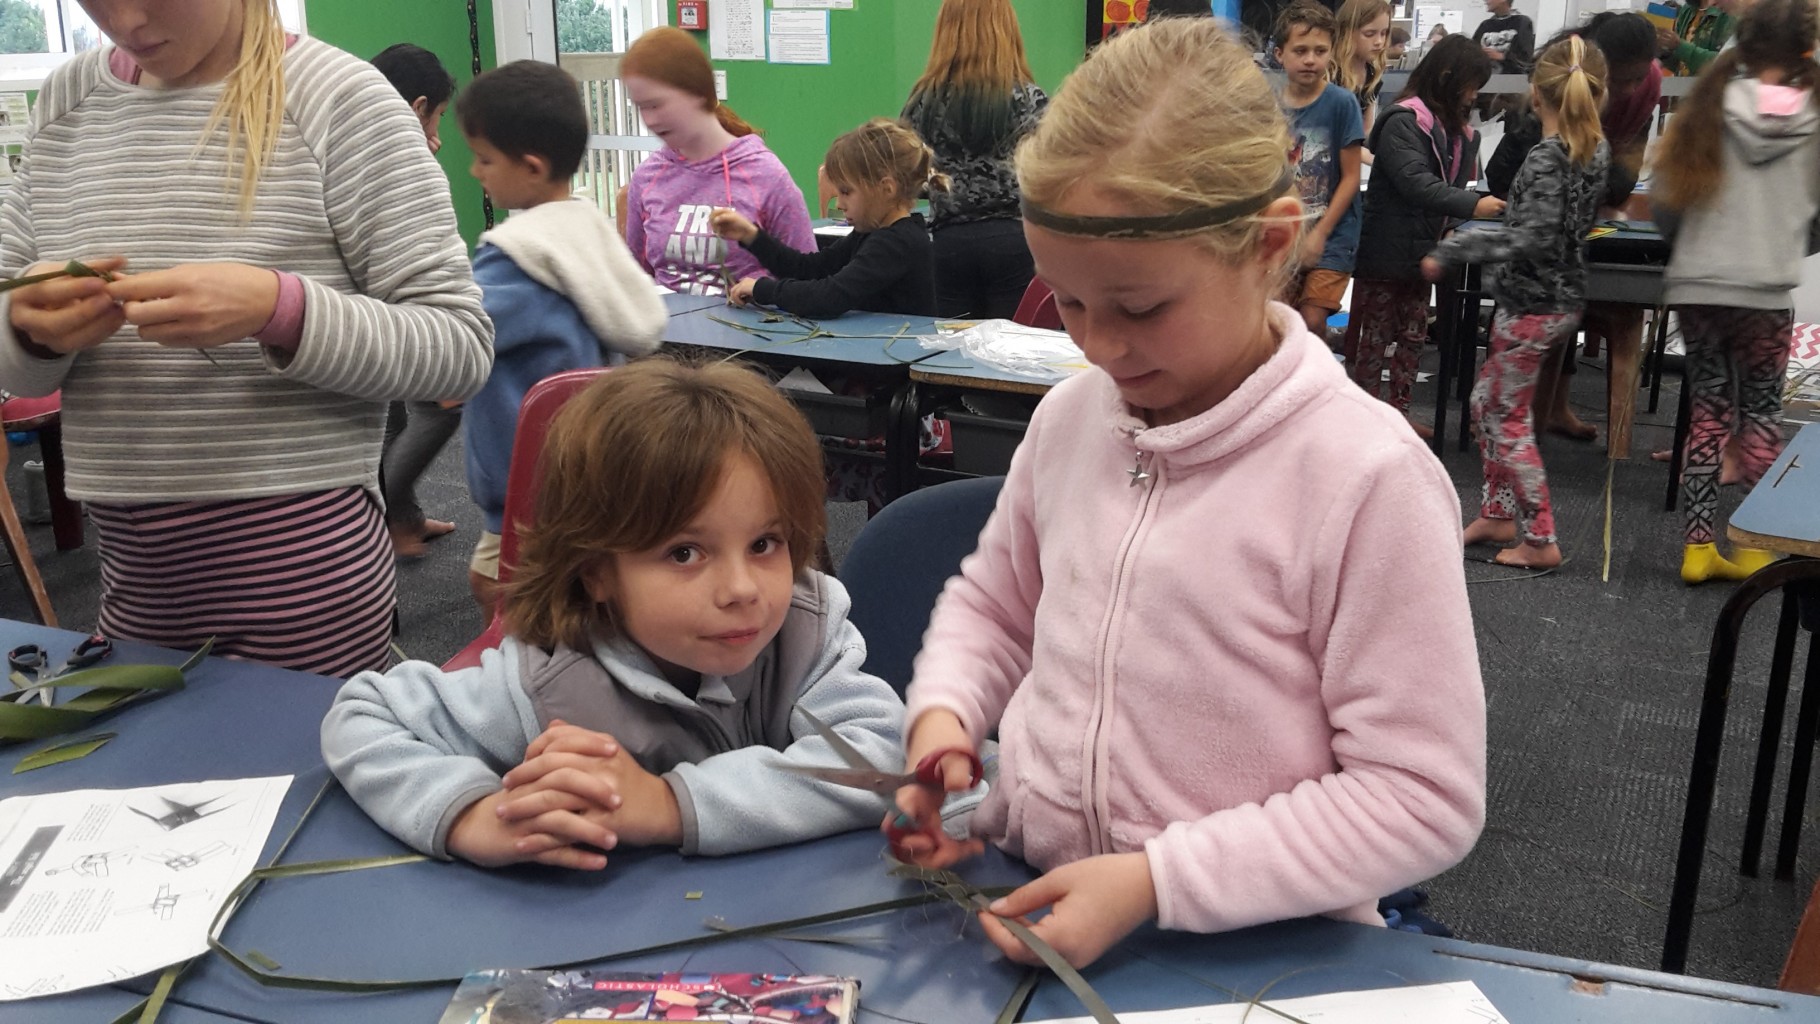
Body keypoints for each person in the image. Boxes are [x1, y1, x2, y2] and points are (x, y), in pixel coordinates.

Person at [884, 18, 1485, 971]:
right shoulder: (1072, 419)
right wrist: (944, 719)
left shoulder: (1368, 479)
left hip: (1259, 956)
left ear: (1268, 242)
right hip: (1034, 901)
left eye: (1141, 307)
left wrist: (1156, 881)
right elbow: (996, 609)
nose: (1097, 344)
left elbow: (1420, 797)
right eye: (1068, 301)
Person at [0, 0, 493, 677]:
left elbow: (459, 346)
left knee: (298, 744)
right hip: (132, 574)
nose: (127, 20)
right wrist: (30, 331)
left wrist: (278, 309)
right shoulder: (67, 104)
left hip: (305, 580)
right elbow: (15, 359)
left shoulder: (339, 99)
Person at [322, 360, 907, 867]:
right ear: (596, 570)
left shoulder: (805, 630)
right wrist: (471, 814)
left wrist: (669, 804)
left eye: (764, 543)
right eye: (685, 553)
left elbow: (884, 753)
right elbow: (364, 715)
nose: (741, 589)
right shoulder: (550, 687)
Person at [457, 61, 667, 620]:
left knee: (500, 591)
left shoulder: (516, 259)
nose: (475, 170)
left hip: (526, 481)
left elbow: (455, 335)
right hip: (588, 462)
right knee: (573, 591)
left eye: (484, 158)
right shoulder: (587, 230)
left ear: (531, 167)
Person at [1423, 38, 1611, 570]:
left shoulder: (1550, 155)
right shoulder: (1593, 148)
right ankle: (1498, 514)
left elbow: (1532, 237)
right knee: (1487, 404)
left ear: (1536, 90)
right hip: (1551, 300)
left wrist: (1455, 249)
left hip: (1533, 304)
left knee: (1505, 417)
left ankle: (1540, 538)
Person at [1652, 0, 1819, 584]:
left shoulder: (1709, 104)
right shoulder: (1814, 114)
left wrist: (1696, 248)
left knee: (1709, 413)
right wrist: (1782, 243)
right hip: (1766, 290)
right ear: (1805, 49)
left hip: (1700, 285)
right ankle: (1754, 549)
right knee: (1763, 416)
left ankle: (1697, 550)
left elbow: (1667, 204)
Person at [1488, 12, 1661, 445]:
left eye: (1638, 79)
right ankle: (1518, 423)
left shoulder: (1642, 93)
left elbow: (1624, 173)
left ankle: (1536, 418)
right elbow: (1505, 176)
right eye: (1622, 80)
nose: (1631, 90)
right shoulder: (1556, 87)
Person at [1348, 35, 1505, 434]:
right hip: (1386, 252)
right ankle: (1363, 419)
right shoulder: (1403, 120)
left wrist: (1452, 226)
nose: (1473, 95)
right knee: (1375, 339)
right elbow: (1416, 183)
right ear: (1448, 77)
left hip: (1423, 253)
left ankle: (1398, 414)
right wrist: (1473, 207)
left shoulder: (1459, 132)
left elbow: (1451, 184)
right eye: (1471, 86)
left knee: (1413, 337)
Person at [621, 27, 815, 297]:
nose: (650, 120)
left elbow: (806, 276)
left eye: (657, 105)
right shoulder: (647, 176)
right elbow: (636, 275)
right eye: (641, 107)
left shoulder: (766, 175)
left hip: (747, 322)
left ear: (698, 92)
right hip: (667, 322)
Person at [901, 0, 1049, 320]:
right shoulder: (1029, 98)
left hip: (948, 241)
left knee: (950, 344)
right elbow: (1049, 172)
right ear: (1007, 32)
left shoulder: (923, 101)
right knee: (1012, 344)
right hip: (1014, 240)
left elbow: (909, 175)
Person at [372, 42, 463, 558]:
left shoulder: (353, 141)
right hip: (395, 310)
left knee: (392, 417)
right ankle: (383, 521)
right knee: (439, 409)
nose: (439, 133)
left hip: (373, 310)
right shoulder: (400, 161)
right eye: (439, 116)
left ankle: (400, 517)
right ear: (418, 107)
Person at [712, 119, 944, 319]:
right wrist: (751, 236)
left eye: (846, 192)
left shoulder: (898, 243)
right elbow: (809, 268)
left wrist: (764, 290)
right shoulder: (869, 234)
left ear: (886, 189)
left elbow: (829, 297)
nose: (839, 204)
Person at [1274, 2, 1365, 336]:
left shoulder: (1342, 103)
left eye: (1320, 51)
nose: (1310, 59)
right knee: (1279, 322)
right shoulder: (1269, 104)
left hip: (1332, 234)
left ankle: (1318, 368)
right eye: (1300, 51)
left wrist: (1320, 234)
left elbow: (1351, 177)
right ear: (1280, 54)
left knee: (1312, 320)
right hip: (1284, 232)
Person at [1332, 0, 1392, 143]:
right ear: (1347, 32)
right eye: (1369, 34)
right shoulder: (1331, 74)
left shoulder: (1372, 74)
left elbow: (1366, 131)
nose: (1379, 41)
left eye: (1384, 33)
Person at [1660, 0, 1737, 77]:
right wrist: (1664, 51)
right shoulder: (1687, 10)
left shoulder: (1728, 12)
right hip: (1682, 82)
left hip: (1708, 83)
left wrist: (1680, 46)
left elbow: (1727, 62)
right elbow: (1679, 64)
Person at [1472, 0, 1534, 75]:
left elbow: (1525, 57)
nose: (1486, 1)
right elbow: (1472, 50)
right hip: (1485, 75)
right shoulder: (1485, 25)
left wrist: (1503, 57)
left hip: (1512, 76)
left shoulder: (1522, 22)